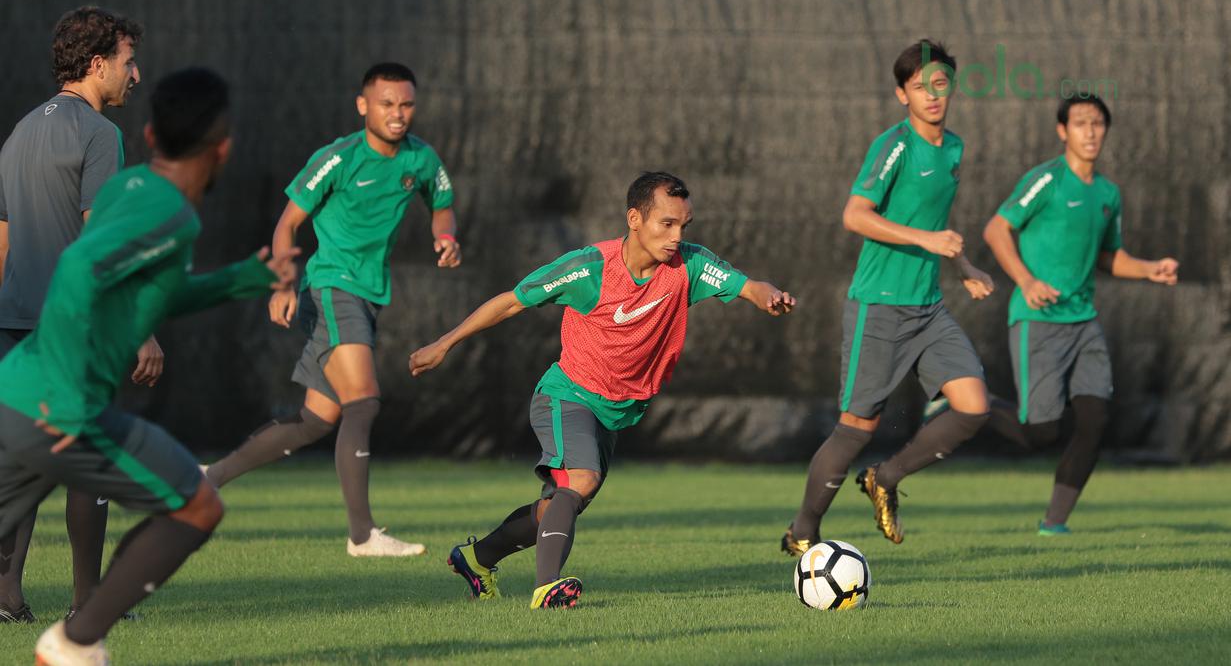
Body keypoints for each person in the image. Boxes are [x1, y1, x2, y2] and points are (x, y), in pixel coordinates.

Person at [0, 67, 297, 665]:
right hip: (57, 403)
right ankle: (76, 640)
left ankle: (75, 638)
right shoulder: (170, 212)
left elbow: (152, 291)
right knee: (198, 503)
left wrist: (243, 278)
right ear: (224, 147)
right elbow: (83, 270)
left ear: (150, 134)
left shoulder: (129, 190)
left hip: (19, 393)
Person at [410, 171, 795, 609]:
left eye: (683, 226)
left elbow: (746, 285)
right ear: (635, 218)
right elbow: (513, 300)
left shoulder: (688, 265)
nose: (676, 236)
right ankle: (546, 590)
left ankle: (476, 558)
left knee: (560, 506)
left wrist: (768, 295)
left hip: (616, 414)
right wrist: (445, 344)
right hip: (567, 395)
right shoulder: (591, 268)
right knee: (582, 480)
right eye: (665, 223)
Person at [204, 62, 461, 557]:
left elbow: (442, 201)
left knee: (316, 421)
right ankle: (362, 535)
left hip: (367, 294)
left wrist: (444, 235)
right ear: (363, 105)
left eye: (406, 104)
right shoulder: (338, 158)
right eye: (387, 103)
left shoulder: (422, 159)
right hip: (330, 286)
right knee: (363, 400)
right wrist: (281, 284)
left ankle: (210, 477)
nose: (398, 114)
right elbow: (287, 225)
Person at [783, 40, 995, 554]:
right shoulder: (894, 144)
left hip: (928, 309)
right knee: (856, 429)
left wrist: (962, 264)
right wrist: (927, 240)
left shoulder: (955, 149)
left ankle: (886, 477)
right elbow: (855, 214)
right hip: (877, 307)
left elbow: (934, 223)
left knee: (974, 406)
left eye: (940, 84)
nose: (932, 95)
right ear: (903, 94)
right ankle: (802, 532)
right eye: (920, 86)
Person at [0, 4, 164, 624]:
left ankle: (7, 598)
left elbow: (3, 245)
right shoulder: (99, 134)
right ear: (97, 64)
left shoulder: (18, 132)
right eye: (128, 61)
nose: (136, 75)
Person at [981, 93, 1178, 535]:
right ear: (1062, 131)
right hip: (1038, 322)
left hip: (1084, 322)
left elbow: (1110, 258)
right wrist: (1027, 282)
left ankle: (1054, 524)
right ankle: (969, 403)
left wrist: (1150, 269)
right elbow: (996, 229)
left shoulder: (1107, 194)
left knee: (1095, 421)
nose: (1090, 131)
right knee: (1041, 433)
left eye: (1098, 123)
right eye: (1081, 123)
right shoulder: (1046, 180)